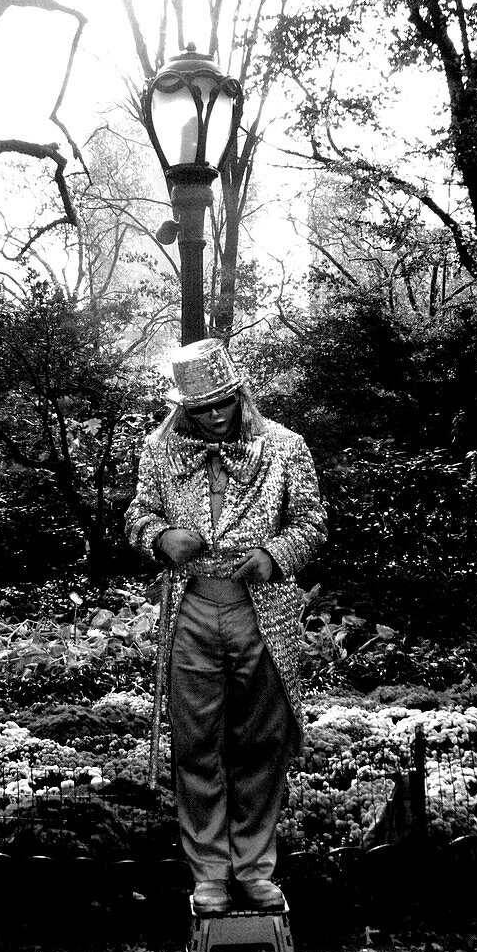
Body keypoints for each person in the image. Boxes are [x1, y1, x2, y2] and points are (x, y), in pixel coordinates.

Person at [126, 338, 327, 914]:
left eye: (223, 404)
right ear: (182, 409)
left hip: (259, 613)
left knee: (260, 743)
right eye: (201, 409)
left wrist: (276, 554)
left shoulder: (287, 448)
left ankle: (255, 868)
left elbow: (313, 519)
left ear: (241, 396)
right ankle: (209, 872)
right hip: (191, 610)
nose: (214, 417)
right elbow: (137, 514)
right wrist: (159, 538)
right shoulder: (157, 453)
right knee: (196, 744)